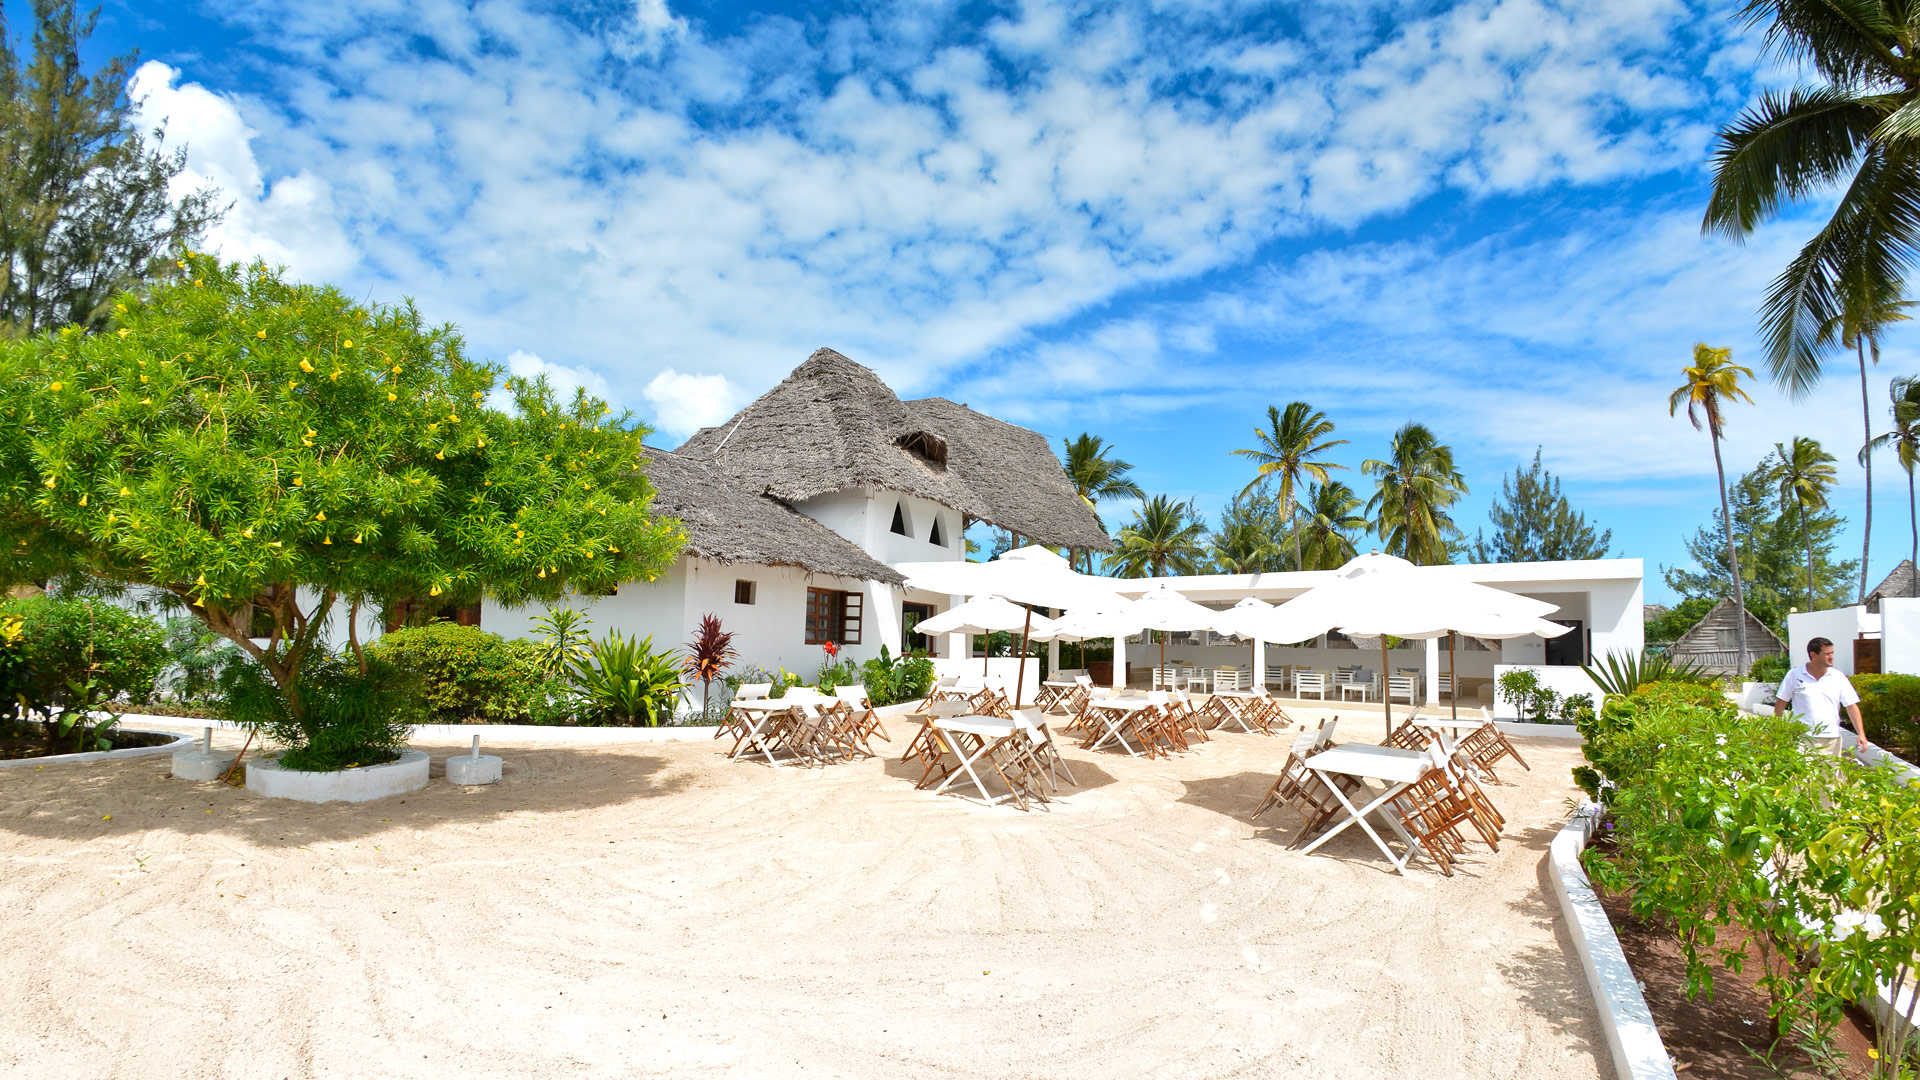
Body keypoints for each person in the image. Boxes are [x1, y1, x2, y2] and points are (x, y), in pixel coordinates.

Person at [1774, 637, 1873, 758]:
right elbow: (1781, 703)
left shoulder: (1838, 677)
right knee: (1803, 776)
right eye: (1827, 654)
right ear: (1813, 655)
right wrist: (1777, 731)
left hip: (1831, 739)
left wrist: (1861, 734)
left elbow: (1851, 706)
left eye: (1832, 653)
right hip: (1802, 737)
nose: (1831, 657)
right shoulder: (1794, 675)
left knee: (1829, 776)